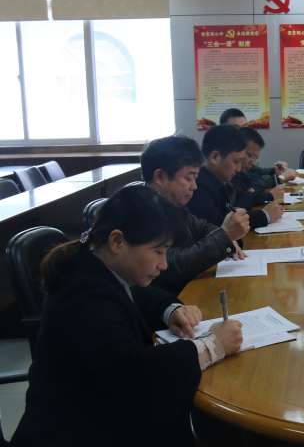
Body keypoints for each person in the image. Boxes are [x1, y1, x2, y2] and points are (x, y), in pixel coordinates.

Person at [10, 186, 243, 447]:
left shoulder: (93, 262)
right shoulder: (83, 297)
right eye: (158, 251)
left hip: (99, 410)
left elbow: (134, 293)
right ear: (117, 241)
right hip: (76, 430)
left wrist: (170, 310)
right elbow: (135, 371)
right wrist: (212, 345)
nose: (164, 264)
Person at [141, 135, 251, 295]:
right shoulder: (141, 210)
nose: (194, 186)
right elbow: (170, 266)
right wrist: (225, 236)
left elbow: (202, 228)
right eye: (188, 178)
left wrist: (228, 239)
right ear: (160, 177)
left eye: (195, 179)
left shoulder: (172, 203)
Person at [186, 124, 284, 229]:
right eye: (236, 162)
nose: (238, 169)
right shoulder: (197, 186)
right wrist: (265, 215)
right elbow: (217, 225)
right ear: (215, 157)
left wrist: (235, 214)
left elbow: (244, 196)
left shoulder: (222, 179)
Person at [220, 108, 298, 187]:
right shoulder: (222, 156)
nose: (241, 133)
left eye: (245, 127)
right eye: (236, 128)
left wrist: (275, 171)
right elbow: (245, 183)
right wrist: (280, 179)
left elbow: (254, 172)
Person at [231, 127, 286, 207]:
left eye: (255, 158)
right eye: (251, 156)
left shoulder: (240, 173)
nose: (253, 162)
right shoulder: (227, 177)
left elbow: (256, 177)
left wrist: (253, 189)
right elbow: (240, 200)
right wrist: (270, 195)